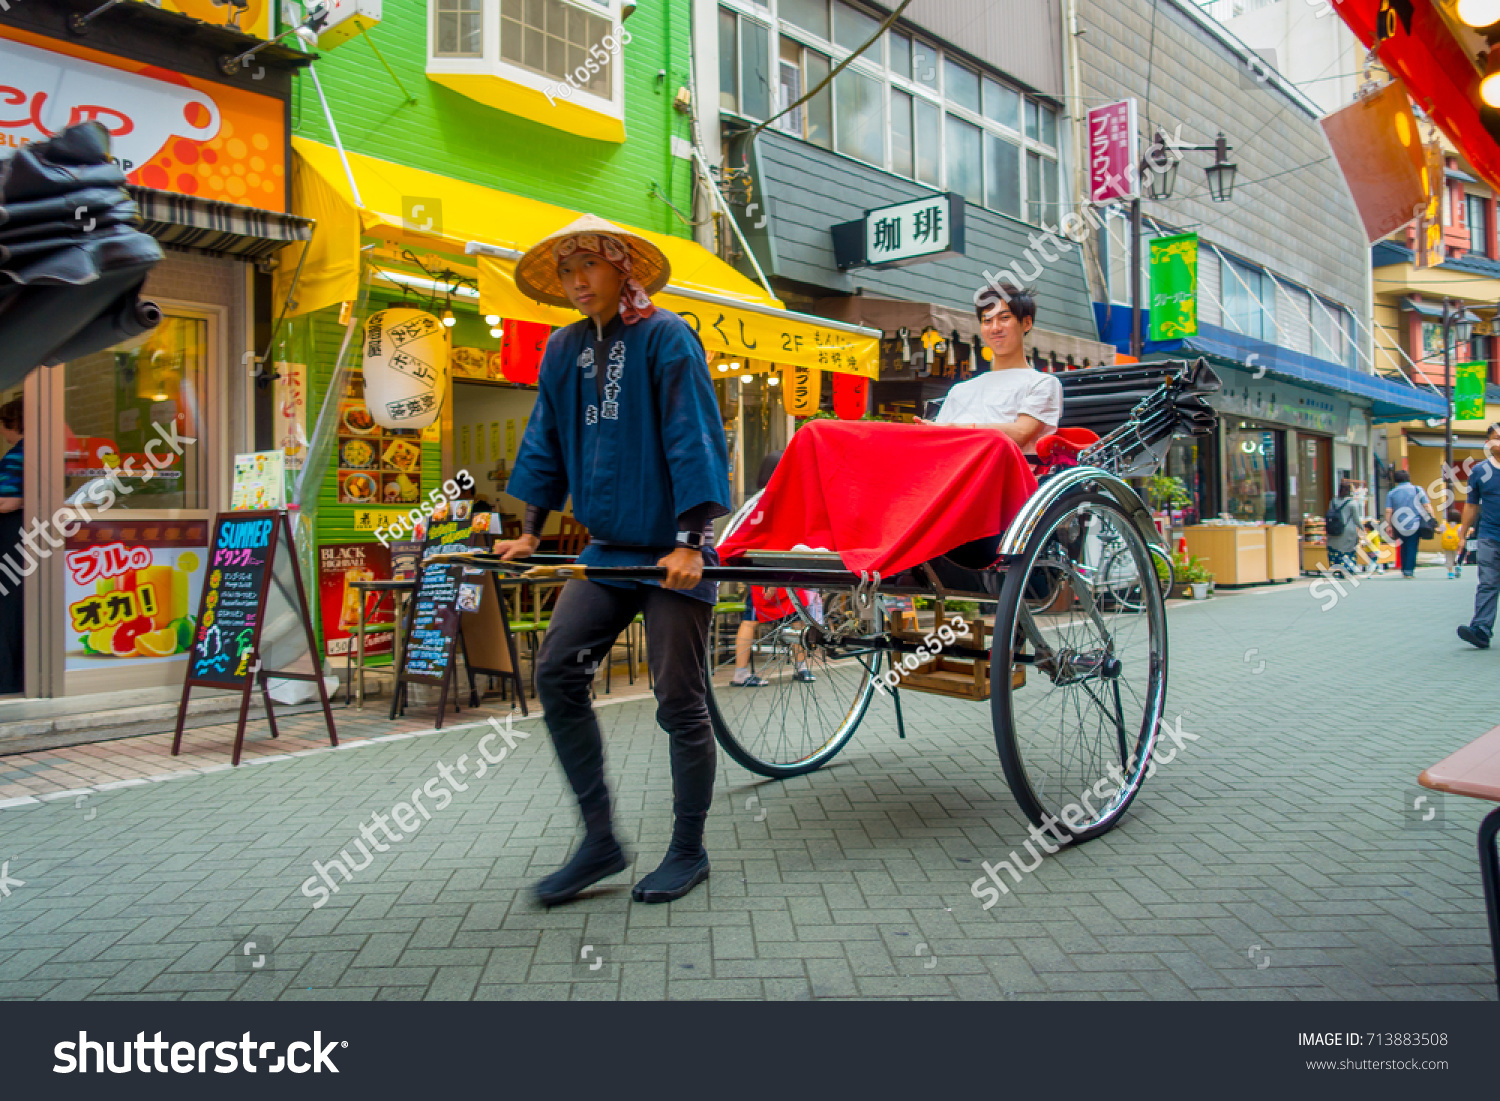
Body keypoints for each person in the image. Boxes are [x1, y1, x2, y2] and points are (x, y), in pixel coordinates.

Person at [496, 215, 732, 906]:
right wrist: (531, 529)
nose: (575, 281)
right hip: (607, 548)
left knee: (677, 698)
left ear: (622, 268)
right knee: (557, 673)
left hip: (672, 547)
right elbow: (544, 437)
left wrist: (690, 539)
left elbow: (694, 434)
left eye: (588, 266)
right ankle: (600, 839)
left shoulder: (666, 336)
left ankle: (689, 849)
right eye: (566, 270)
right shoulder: (563, 347)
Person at [919, 287, 1062, 456]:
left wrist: (959, 430)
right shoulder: (960, 390)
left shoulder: (1042, 383)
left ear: (1026, 323)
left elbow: (1021, 433)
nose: (995, 328)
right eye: (987, 321)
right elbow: (938, 440)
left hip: (1006, 475)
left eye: (1004, 318)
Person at [1456, 422, 1500, 649]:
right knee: (1488, 583)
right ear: (1488, 443)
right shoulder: (1480, 472)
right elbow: (1471, 506)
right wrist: (1463, 535)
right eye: (1496, 437)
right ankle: (1481, 630)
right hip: (1489, 536)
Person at [0, 398, 21, 694]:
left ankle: (7, 680)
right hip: (32, 536)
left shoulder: (19, 454)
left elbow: (5, 501)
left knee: (7, 608)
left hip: (12, 534)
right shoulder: (47, 449)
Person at [1383, 469, 1432, 578]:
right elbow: (1427, 505)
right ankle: (1408, 570)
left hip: (1398, 524)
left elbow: (1388, 510)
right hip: (1415, 523)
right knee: (1412, 545)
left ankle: (1404, 568)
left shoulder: (1392, 493)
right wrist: (1432, 518)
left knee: (1403, 545)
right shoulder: (1417, 489)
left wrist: (1389, 525)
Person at [1326, 479, 1360, 577]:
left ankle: (1335, 568)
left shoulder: (1333, 501)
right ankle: (1347, 569)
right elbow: (1356, 519)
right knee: (1348, 550)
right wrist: (1362, 528)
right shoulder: (1352, 503)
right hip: (1348, 530)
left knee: (1334, 550)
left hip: (1333, 530)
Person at [1439, 505, 1464, 579]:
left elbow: (1439, 530)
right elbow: (1462, 534)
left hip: (1447, 544)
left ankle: (1450, 572)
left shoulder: (1444, 525)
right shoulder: (1460, 526)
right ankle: (1458, 565)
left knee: (1449, 558)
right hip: (1457, 544)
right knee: (1457, 556)